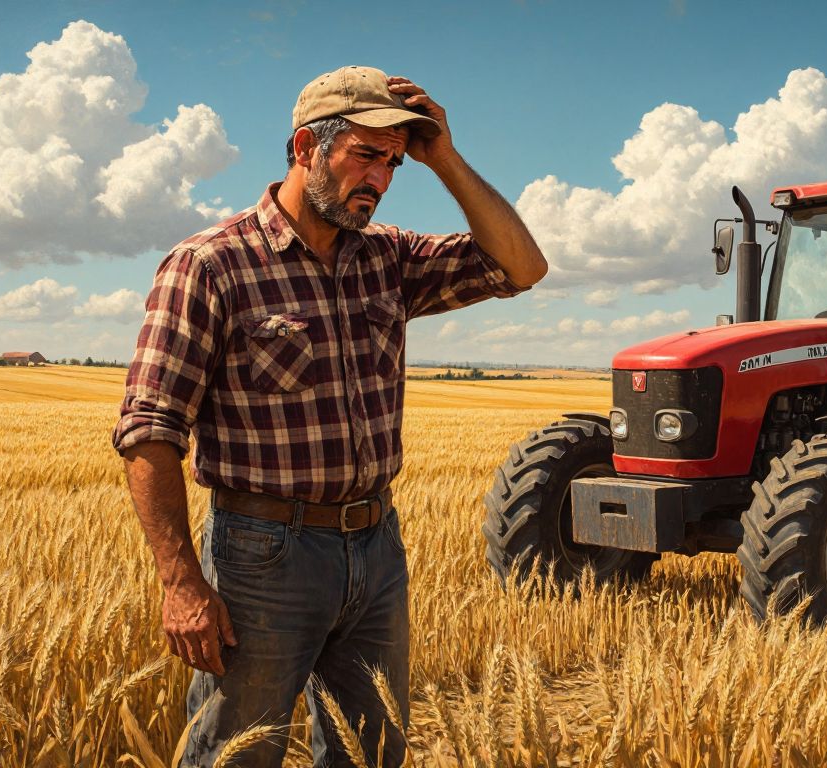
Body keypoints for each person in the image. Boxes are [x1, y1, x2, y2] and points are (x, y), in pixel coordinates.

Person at [111, 65, 547, 767]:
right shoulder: (210, 265)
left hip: (376, 546)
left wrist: (445, 158)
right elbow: (150, 430)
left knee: (373, 753)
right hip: (261, 555)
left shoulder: (387, 259)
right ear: (307, 148)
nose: (380, 178)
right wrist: (181, 582)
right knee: (235, 756)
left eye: (394, 163)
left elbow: (523, 266)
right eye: (366, 155)